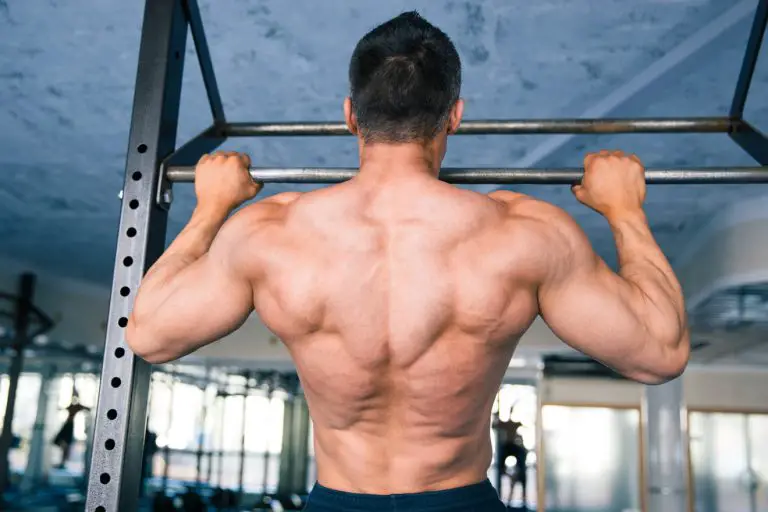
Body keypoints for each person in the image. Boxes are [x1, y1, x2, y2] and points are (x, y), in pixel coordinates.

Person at [126, 11, 690, 512]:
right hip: (459, 499)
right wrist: (624, 210)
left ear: (350, 115)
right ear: (455, 116)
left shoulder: (271, 233)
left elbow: (148, 335)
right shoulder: (524, 234)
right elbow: (660, 352)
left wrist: (211, 209)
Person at [493, 407, 528, 508]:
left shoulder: (512, 425)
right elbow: (495, 425)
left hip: (512, 450)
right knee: (502, 469)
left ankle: (521, 502)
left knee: (518, 479)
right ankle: (509, 502)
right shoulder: (507, 424)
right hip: (508, 448)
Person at [52, 400, 90, 469]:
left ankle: (63, 463)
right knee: (63, 445)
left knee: (65, 446)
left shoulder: (77, 406)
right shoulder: (73, 406)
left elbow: (88, 409)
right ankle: (62, 462)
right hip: (67, 425)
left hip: (69, 426)